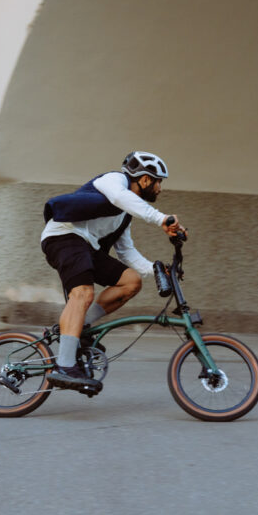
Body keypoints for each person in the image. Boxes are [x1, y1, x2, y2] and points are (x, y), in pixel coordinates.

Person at [40, 151, 185, 391]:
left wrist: (156, 269)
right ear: (145, 179)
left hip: (86, 247)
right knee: (83, 293)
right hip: (63, 237)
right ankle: (64, 367)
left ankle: (78, 325)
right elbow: (120, 197)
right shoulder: (112, 181)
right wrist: (161, 219)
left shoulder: (125, 216)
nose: (160, 188)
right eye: (159, 181)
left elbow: (127, 252)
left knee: (131, 281)